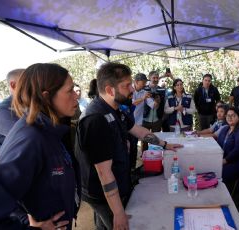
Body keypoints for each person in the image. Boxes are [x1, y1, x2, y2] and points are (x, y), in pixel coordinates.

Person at [0, 63, 81, 229]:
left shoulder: (49, 129)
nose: (76, 96)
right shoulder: (30, 138)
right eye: (69, 91)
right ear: (46, 97)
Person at [75, 63, 182, 230]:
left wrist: (164, 144)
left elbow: (137, 130)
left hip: (117, 183)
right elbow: (104, 172)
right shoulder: (95, 118)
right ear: (110, 90)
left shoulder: (117, 108)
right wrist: (118, 212)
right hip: (102, 193)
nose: (132, 89)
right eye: (126, 86)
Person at [0, 68, 24, 150]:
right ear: (13, 85)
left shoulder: (28, 103)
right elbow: (27, 138)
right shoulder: (2, 112)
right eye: (29, 82)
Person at [217, 107, 239, 189]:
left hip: (237, 163)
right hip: (224, 160)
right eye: (228, 115)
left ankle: (222, 195)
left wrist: (224, 161)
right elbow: (218, 144)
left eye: (233, 115)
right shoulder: (225, 129)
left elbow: (238, 151)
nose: (230, 117)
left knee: (217, 172)